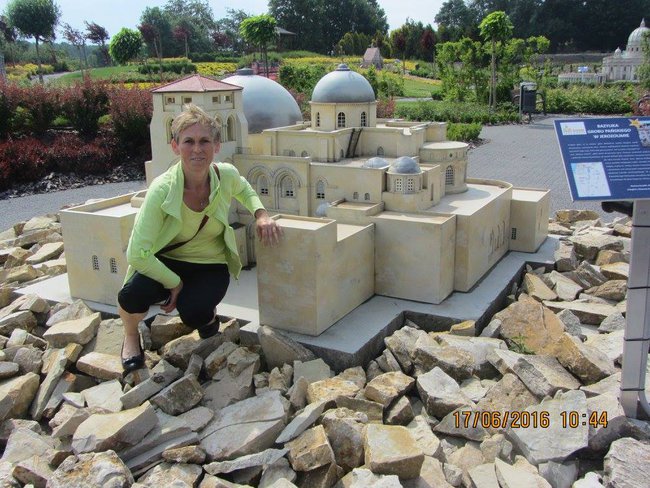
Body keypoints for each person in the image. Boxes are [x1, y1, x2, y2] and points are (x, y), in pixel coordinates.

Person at [118, 104, 281, 372]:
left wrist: (261, 214)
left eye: (204, 141)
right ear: (175, 146)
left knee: (193, 312)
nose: (197, 149)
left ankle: (206, 318)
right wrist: (174, 282)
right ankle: (131, 336)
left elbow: (244, 189)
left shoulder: (225, 175)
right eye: (188, 141)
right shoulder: (162, 190)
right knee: (131, 295)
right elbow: (137, 254)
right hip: (167, 261)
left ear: (216, 146)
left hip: (210, 263)